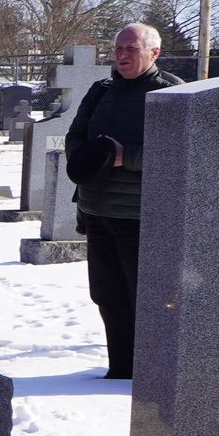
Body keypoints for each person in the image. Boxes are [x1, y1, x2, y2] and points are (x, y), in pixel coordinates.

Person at [65, 22, 182, 379]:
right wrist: (87, 162)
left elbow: (178, 151)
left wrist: (123, 157)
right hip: (96, 210)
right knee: (107, 295)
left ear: (154, 53)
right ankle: (120, 370)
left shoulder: (172, 92)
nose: (122, 55)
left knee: (143, 301)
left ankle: (150, 377)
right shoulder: (101, 90)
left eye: (131, 49)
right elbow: (75, 136)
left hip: (140, 216)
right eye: (118, 49)